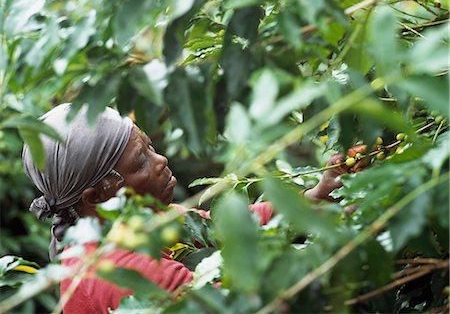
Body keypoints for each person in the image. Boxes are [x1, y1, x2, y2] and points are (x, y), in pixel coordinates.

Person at [22, 103, 353, 313]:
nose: (161, 160)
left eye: (150, 147)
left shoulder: (145, 223)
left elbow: (222, 230)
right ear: (96, 197)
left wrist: (315, 197)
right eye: (140, 163)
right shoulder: (119, 273)